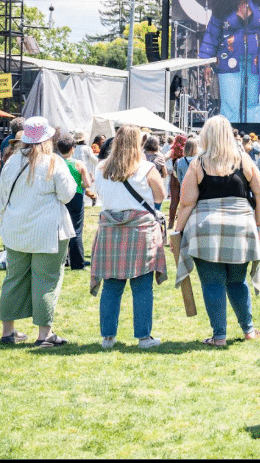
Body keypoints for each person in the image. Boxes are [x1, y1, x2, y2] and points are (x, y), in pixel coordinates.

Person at [173, 115, 260, 346]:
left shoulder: (199, 163)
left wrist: (177, 231)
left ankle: (219, 336)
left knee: (212, 283)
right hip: (241, 227)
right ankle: (249, 330)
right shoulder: (244, 160)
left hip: (205, 229)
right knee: (237, 281)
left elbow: (187, 202)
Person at [0, 117, 77, 348]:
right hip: (47, 232)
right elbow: (67, 194)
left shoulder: (11, 161)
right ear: (47, 138)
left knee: (13, 279)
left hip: (15, 230)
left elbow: (3, 195)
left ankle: (8, 331)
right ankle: (44, 335)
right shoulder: (53, 162)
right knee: (46, 281)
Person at [90, 124, 168, 350]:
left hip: (110, 230)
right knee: (142, 286)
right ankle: (144, 337)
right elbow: (161, 195)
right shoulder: (146, 168)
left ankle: (108, 338)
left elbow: (101, 194)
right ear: (138, 143)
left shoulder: (101, 167)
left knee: (112, 286)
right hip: (140, 230)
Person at [55, 133, 93, 270]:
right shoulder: (79, 164)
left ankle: (62, 260)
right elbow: (87, 184)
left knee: (59, 229)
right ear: (72, 148)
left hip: (59, 197)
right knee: (76, 231)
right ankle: (78, 263)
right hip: (76, 197)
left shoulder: (56, 163)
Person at [166, 134, 187, 230]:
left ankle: (170, 223)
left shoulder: (173, 150)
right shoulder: (187, 150)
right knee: (185, 202)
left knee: (173, 201)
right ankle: (181, 223)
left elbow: (164, 158)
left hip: (174, 177)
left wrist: (167, 169)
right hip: (185, 177)